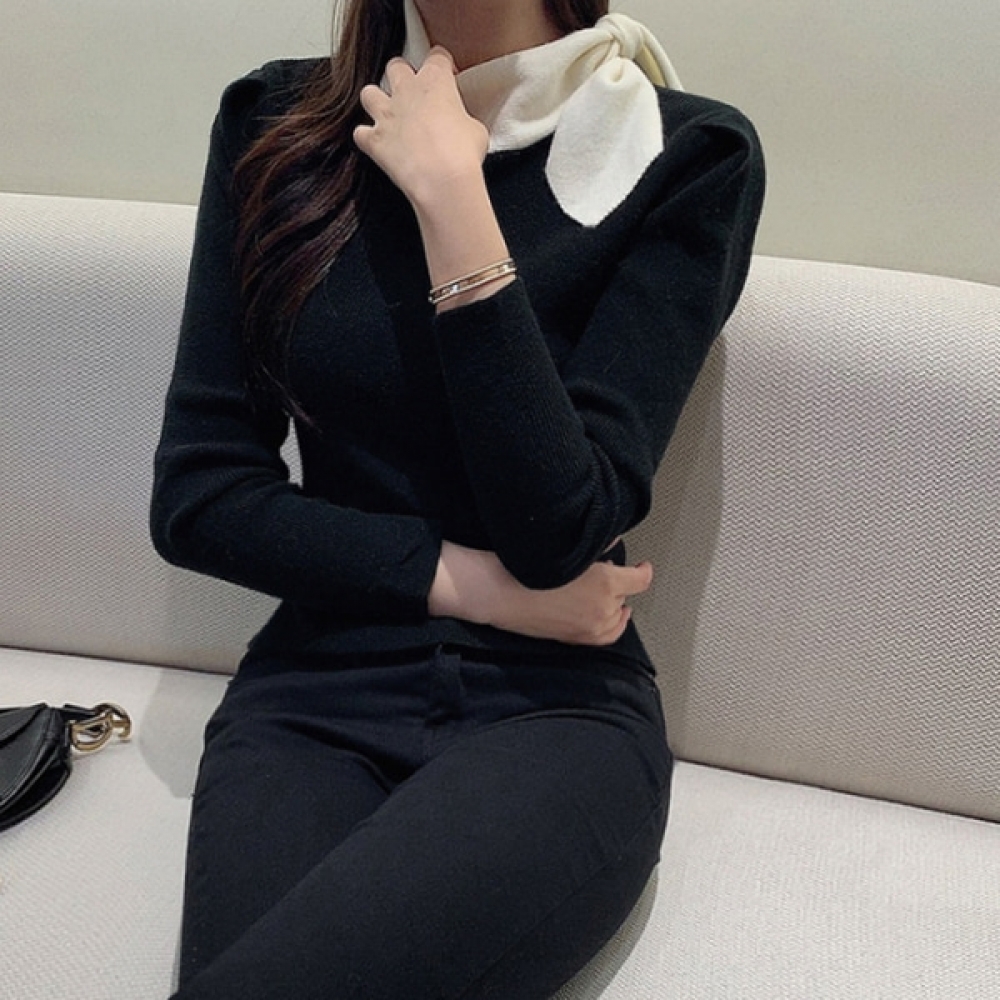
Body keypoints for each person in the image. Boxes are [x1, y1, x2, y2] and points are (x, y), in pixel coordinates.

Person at [150, 0, 765, 996]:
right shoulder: (276, 123)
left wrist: (452, 201)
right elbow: (201, 496)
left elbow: (560, 526)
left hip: (551, 710)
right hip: (314, 693)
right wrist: (476, 588)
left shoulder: (687, 157)